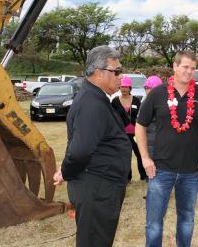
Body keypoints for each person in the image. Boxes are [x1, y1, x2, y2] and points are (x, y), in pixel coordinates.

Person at [135, 51, 198, 247]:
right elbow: (140, 125)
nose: (189, 72)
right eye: (185, 67)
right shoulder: (157, 94)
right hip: (160, 170)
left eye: (193, 68)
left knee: (186, 220)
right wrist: (145, 158)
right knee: (154, 223)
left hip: (191, 171)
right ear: (175, 67)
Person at [53, 46, 132, 247]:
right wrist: (65, 171)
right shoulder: (91, 104)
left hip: (102, 185)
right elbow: (81, 150)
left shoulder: (98, 98)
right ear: (98, 73)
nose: (121, 77)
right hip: (97, 188)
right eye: (117, 71)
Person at [112, 76, 148, 182]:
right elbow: (112, 117)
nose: (123, 89)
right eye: (122, 86)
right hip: (122, 134)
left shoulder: (136, 100)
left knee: (140, 154)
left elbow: (141, 116)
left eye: (126, 87)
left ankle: (144, 175)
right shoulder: (114, 101)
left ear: (130, 87)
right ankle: (127, 177)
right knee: (124, 156)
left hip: (136, 133)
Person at [143, 75, 164, 158]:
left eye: (150, 88)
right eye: (146, 88)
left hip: (163, 142)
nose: (148, 90)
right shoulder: (146, 102)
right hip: (150, 142)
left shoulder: (166, 102)